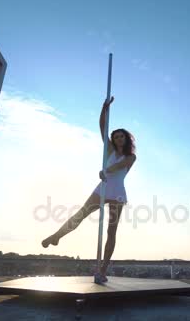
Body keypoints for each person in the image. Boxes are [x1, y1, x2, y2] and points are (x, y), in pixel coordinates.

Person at [41, 96, 136, 283]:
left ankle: (102, 270)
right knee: (80, 214)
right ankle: (57, 236)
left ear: (126, 138)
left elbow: (121, 165)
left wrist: (106, 170)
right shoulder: (108, 149)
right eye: (115, 136)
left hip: (117, 193)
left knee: (111, 231)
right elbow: (102, 126)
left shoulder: (131, 156)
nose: (118, 138)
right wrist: (104, 108)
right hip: (102, 188)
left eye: (121, 136)